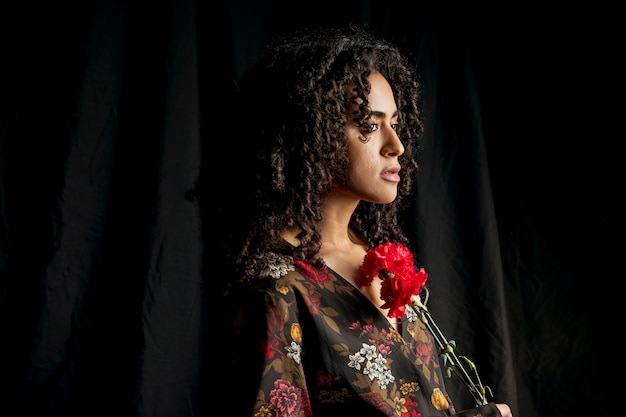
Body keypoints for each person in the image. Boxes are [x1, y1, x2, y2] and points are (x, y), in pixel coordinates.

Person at [214, 25, 513, 417]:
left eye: (394, 122)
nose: (397, 145)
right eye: (369, 126)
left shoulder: (382, 259)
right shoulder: (278, 288)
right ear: (310, 133)